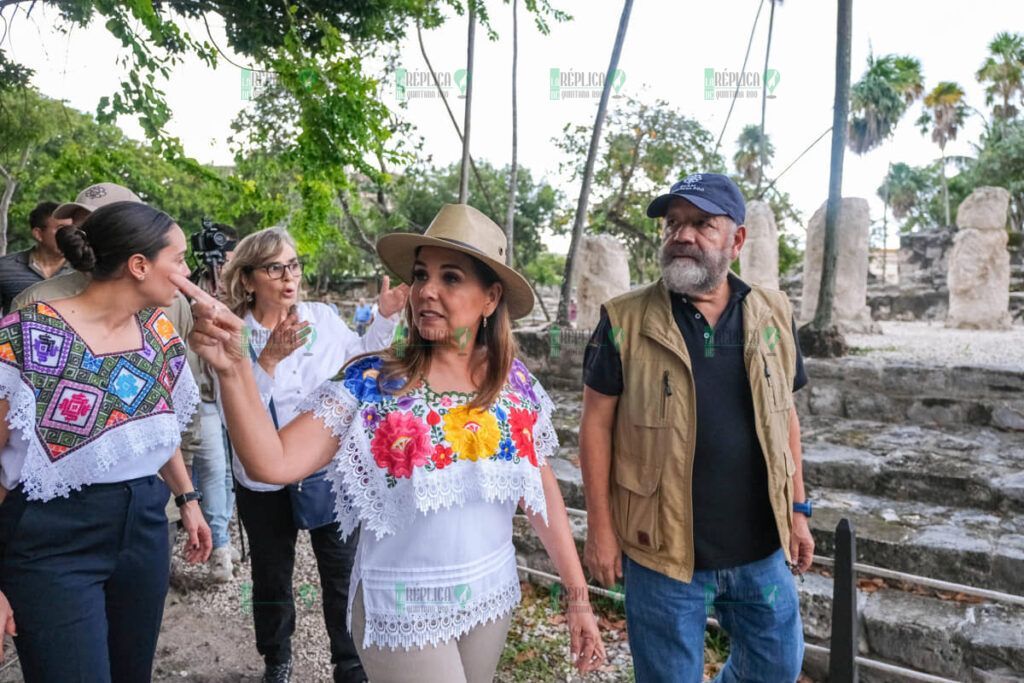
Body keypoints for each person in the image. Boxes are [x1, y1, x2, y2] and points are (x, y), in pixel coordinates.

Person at [177, 204, 606, 683]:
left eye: (451, 278)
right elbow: (272, 462)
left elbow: (539, 484)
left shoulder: (514, 383)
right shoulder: (371, 383)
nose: (426, 290)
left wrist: (576, 593)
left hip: (490, 592)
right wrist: (235, 369)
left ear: (491, 297)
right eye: (422, 275)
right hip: (404, 605)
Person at [579, 173, 813, 682]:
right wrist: (600, 528)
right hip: (661, 552)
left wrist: (798, 508)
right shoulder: (623, 320)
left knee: (777, 666)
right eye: (674, 224)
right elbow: (595, 423)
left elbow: (784, 416)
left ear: (737, 240)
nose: (682, 235)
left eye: (702, 224)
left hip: (760, 549)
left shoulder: (773, 312)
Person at [0, 201, 212, 682]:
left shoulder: (160, 333)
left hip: (143, 530)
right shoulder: (26, 336)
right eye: (177, 259)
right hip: (50, 539)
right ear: (139, 265)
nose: (186, 271)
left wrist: (188, 498)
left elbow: (153, 426)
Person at [215, 227, 403, 683]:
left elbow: (359, 362)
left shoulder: (321, 316)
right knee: (272, 576)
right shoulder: (235, 333)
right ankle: (276, 658)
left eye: (293, 265)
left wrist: (384, 316)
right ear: (249, 278)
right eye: (275, 267)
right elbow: (232, 412)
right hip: (263, 480)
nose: (288, 277)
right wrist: (268, 362)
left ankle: (349, 663)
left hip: (326, 471)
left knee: (341, 574)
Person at [11, 182, 205, 566]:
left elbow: (160, 415)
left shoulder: (165, 315)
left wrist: (185, 497)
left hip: (144, 507)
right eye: (82, 223)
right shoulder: (33, 312)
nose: (87, 234)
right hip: (52, 518)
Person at [191, 224, 240, 583]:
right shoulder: (188, 288)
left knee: (230, 471)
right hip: (203, 394)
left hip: (233, 394)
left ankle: (220, 537)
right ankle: (220, 547)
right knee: (212, 469)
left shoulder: (241, 290)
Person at [0, 201, 74, 314]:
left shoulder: (84, 269)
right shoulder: (5, 268)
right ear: (38, 234)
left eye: (72, 229)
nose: (69, 235)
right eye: (61, 229)